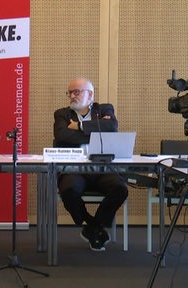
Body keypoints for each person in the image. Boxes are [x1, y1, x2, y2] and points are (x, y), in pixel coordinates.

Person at [53, 77, 128, 251]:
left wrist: (78, 126)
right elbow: (62, 136)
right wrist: (96, 132)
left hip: (102, 168)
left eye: (77, 92)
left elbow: (111, 127)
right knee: (69, 190)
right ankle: (92, 224)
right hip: (74, 169)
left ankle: (93, 228)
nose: (72, 95)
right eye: (70, 92)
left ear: (90, 94)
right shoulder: (62, 114)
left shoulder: (104, 109)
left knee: (120, 189)